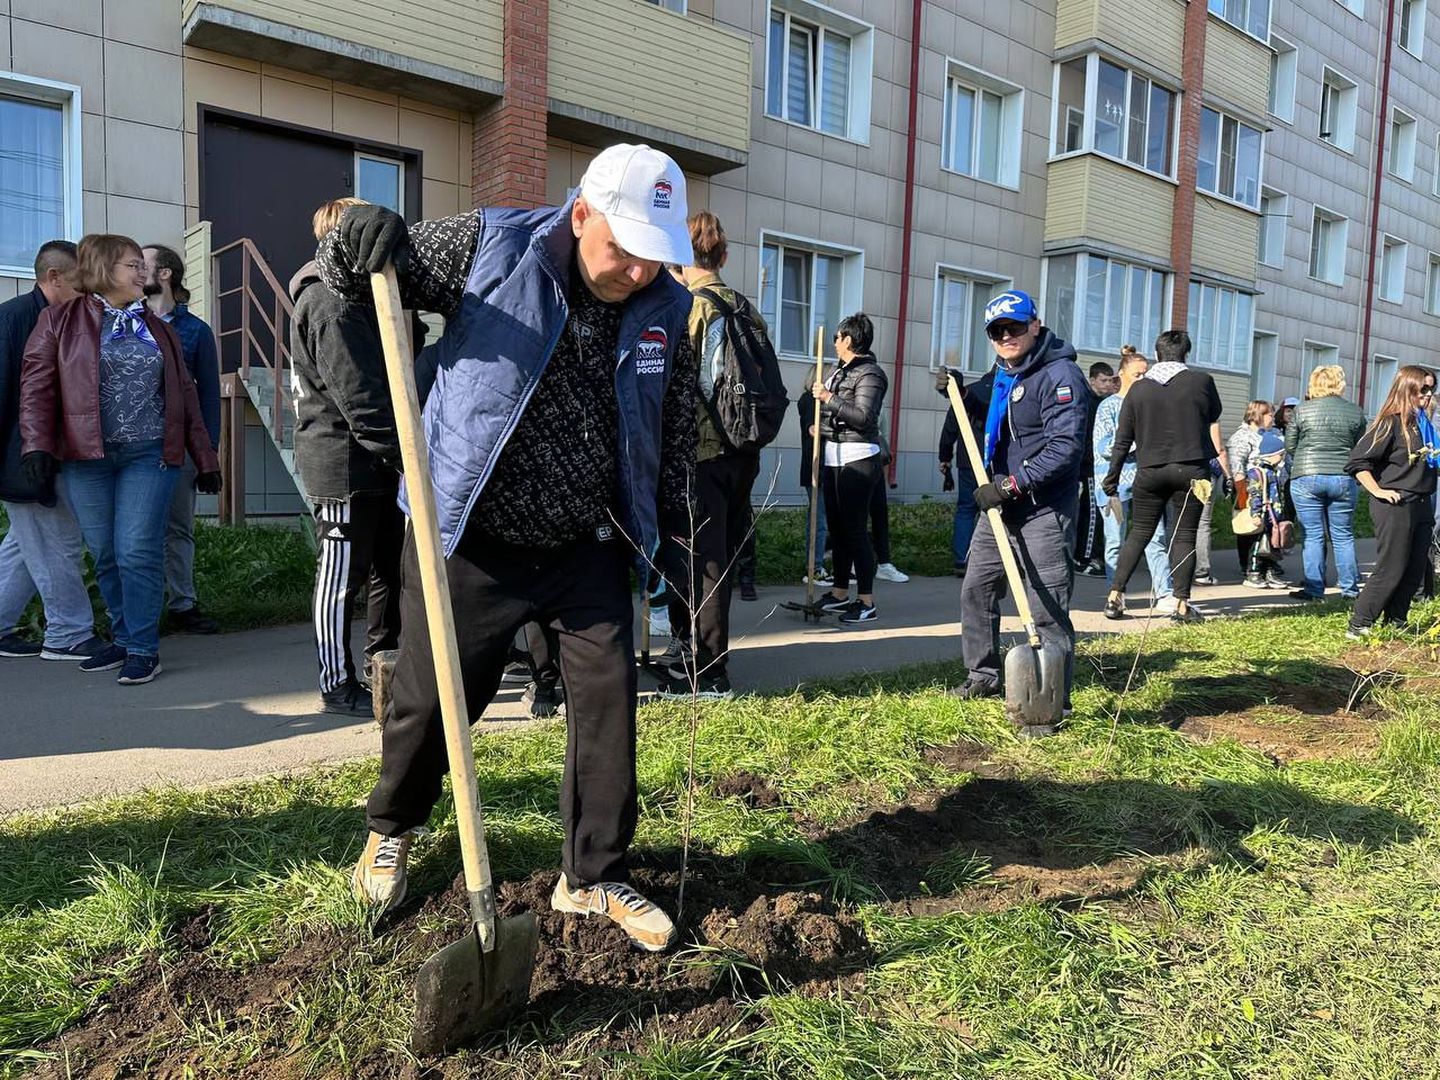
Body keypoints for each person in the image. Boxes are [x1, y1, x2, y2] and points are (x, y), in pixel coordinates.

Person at [321, 143, 697, 951]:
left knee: (607, 709)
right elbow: (351, 276)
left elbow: (674, 421)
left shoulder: (666, 304)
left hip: (589, 543)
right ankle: (391, 825)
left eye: (653, 257)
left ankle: (592, 877)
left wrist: (672, 536)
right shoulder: (492, 245)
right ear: (583, 210)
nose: (638, 272)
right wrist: (355, 234)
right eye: (623, 250)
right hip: (474, 539)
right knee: (432, 702)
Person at [19, 234, 221, 684]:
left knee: (135, 549)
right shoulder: (57, 321)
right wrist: (35, 445)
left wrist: (206, 458)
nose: (142, 273)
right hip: (85, 456)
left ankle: (145, 648)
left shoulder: (161, 327)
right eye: (133, 265)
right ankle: (125, 638)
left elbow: (186, 396)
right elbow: (36, 387)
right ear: (105, 268)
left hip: (149, 455)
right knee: (106, 553)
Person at [290, 197, 411, 717]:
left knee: (390, 571)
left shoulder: (359, 297)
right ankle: (335, 684)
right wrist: (409, 458)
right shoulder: (327, 301)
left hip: (376, 462)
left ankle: (381, 667)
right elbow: (360, 397)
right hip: (343, 465)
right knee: (342, 577)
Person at [949, 290, 1086, 712]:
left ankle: (1053, 695)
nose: (1006, 336)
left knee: (1046, 600)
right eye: (997, 330)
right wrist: (965, 396)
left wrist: (1010, 486)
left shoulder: (1060, 375)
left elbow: (1064, 449)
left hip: (1042, 506)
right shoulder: (1009, 373)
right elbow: (1009, 421)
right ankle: (984, 675)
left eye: (1015, 326)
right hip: (1000, 508)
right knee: (977, 588)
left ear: (1035, 325)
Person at [657, 211, 771, 699]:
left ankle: (708, 670)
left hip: (701, 453)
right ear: (723, 256)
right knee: (716, 557)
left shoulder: (691, 309)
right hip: (744, 450)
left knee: (701, 561)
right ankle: (693, 653)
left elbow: (685, 386)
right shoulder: (746, 308)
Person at [0, 241, 104, 662]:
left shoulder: (60, 318)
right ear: (54, 277)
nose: (88, 288)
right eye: (81, 279)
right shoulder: (15, 318)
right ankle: (68, 633)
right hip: (23, 459)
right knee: (56, 542)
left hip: (37, 457)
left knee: (26, 546)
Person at [1102, 330, 1231, 624]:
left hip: (1149, 471)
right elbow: (1214, 414)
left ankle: (1114, 597)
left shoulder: (1138, 389)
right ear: (1186, 353)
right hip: (1192, 471)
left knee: (1139, 534)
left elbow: (1123, 440)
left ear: (1157, 354)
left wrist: (1112, 478)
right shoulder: (1202, 381)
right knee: (1183, 535)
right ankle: (1182, 606)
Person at [143, 243, 222, 635]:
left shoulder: (195, 331)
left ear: (165, 274)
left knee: (179, 528)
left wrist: (210, 453)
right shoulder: (130, 323)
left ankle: (183, 604)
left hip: (181, 448)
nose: (135, 270)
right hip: (137, 446)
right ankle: (142, 611)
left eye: (144, 264)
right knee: (141, 531)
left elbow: (209, 394)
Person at [1344, 366, 1437, 639]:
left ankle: (1396, 619)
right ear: (1407, 388)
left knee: (1416, 566)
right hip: (1395, 504)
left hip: (1421, 503)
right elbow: (1358, 463)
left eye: (1431, 389)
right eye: (1423, 389)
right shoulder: (1390, 422)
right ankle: (1360, 622)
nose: (1428, 395)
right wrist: (1378, 491)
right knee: (1392, 566)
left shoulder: (1423, 426)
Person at [814, 312, 887, 624]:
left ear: (848, 339)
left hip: (859, 456)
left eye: (837, 337)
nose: (834, 343)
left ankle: (866, 600)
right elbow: (832, 412)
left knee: (856, 530)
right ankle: (840, 591)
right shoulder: (839, 370)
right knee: (838, 529)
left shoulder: (870, 373)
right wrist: (821, 427)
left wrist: (829, 398)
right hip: (833, 455)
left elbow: (863, 418)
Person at [1094, 346, 1175, 617]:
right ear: (1121, 375)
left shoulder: (1151, 406)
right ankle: (1116, 594)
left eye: (1145, 374)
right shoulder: (1109, 406)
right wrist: (1136, 442)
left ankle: (1165, 593)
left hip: (1147, 483)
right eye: (1136, 374)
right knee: (1115, 541)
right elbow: (1104, 446)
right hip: (1114, 485)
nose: (1142, 379)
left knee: (1156, 538)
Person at [1285, 365, 1366, 600]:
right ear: (1340, 384)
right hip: (1343, 476)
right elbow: (1359, 447)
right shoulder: (1355, 411)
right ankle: (1350, 591)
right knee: (1343, 535)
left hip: (1307, 475)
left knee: (1313, 535)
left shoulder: (1302, 410)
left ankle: (1314, 590)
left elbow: (1291, 445)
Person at [1228, 401, 1289, 588]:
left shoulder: (1275, 434)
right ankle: (1250, 567)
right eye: (1269, 413)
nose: (1272, 416)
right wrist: (1242, 495)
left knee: (1272, 529)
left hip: (1274, 489)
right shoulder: (1242, 436)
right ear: (1257, 415)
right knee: (1251, 529)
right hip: (1251, 487)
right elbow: (1237, 466)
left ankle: (1269, 567)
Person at [936, 364, 990, 577]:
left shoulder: (967, 391)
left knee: (966, 509)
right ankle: (994, 560)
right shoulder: (1003, 391)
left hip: (966, 461)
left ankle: (961, 560)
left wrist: (945, 458)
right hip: (993, 462)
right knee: (994, 511)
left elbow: (949, 428)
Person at [1075, 360, 1115, 576]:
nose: (1108, 384)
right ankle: (1085, 557)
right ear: (1092, 380)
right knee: (1091, 513)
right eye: (1103, 380)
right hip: (1089, 466)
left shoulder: (1104, 402)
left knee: (1093, 513)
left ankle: (1088, 554)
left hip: (1098, 465)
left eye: (1110, 380)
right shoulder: (1088, 403)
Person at [796, 388, 830, 586]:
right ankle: (814, 568)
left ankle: (818, 566)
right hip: (817, 467)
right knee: (818, 520)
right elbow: (813, 429)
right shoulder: (811, 400)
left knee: (821, 519)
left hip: (822, 467)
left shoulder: (812, 400)